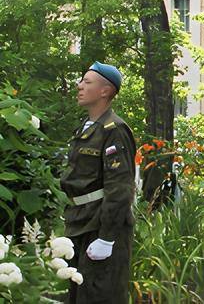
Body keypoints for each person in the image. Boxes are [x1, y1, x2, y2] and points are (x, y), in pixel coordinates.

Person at [61, 62, 136, 303]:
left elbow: (120, 189)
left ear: (104, 91)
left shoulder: (114, 130)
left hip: (99, 225)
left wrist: (107, 237)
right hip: (79, 221)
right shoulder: (85, 128)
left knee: (100, 294)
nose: (79, 86)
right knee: (75, 293)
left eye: (87, 82)